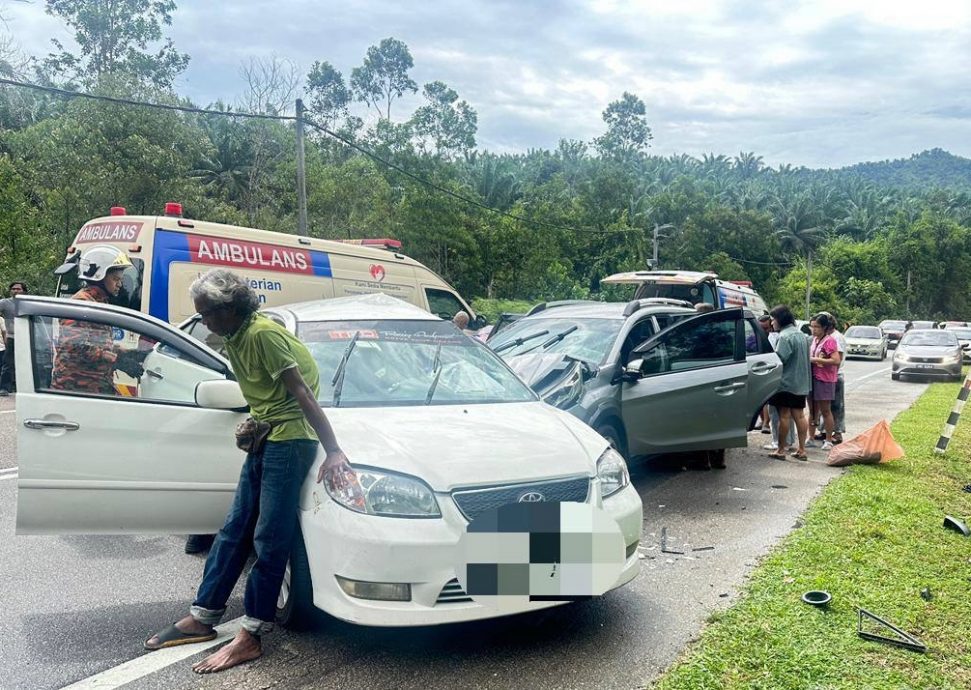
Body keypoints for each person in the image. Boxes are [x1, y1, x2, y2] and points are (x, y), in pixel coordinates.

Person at [144, 268, 352, 675]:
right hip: (266, 435)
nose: (203, 320)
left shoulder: (262, 335)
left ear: (229, 309)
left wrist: (334, 450)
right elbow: (262, 393)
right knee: (235, 527)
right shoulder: (235, 336)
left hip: (291, 440)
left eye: (206, 313)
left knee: (270, 537)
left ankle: (251, 634)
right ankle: (204, 616)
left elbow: (302, 393)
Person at [51, 250, 146, 394]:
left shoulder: (98, 302)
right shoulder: (81, 304)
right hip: (76, 388)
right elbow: (76, 347)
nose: (120, 284)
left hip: (95, 386)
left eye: (120, 279)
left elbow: (97, 344)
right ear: (99, 277)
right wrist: (118, 360)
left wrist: (127, 353)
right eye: (115, 279)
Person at [767, 305, 811, 461]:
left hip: (786, 383)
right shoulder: (802, 335)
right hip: (801, 383)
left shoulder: (784, 337)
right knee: (799, 416)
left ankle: (780, 450)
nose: (771, 323)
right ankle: (802, 450)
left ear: (779, 319)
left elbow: (780, 359)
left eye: (772, 320)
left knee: (784, 416)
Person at [808, 313, 841, 451]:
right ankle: (810, 437)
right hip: (813, 377)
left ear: (824, 327)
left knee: (825, 410)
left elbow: (836, 360)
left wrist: (816, 360)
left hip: (825, 379)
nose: (814, 330)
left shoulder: (829, 341)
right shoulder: (814, 340)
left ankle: (828, 439)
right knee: (812, 410)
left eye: (817, 327)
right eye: (812, 326)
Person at [0, 281, 27, 396]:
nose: (16, 291)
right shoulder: (5, 303)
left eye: (18, 289)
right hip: (12, 337)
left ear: (24, 291)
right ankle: (5, 388)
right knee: (8, 364)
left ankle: (24, 388)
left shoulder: (28, 303)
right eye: (13, 289)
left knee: (26, 363)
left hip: (27, 338)